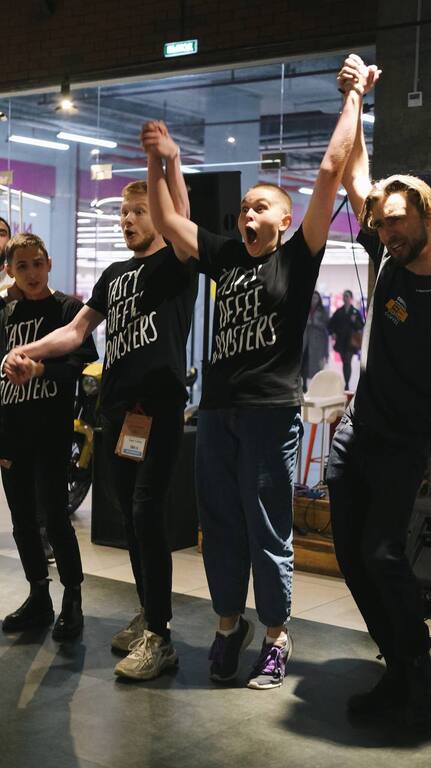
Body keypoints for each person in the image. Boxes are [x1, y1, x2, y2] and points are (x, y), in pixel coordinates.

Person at [142, 55, 377, 690]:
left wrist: (355, 96)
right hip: (218, 411)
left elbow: (329, 170)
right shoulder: (225, 257)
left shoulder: (298, 257)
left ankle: (276, 635)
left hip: (270, 414)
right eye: (245, 207)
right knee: (219, 526)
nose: (247, 215)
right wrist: (162, 161)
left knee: (267, 528)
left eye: (261, 207)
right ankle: (228, 626)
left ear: (284, 219)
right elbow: (168, 223)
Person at [4, 128, 198, 681]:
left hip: (157, 409)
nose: (128, 221)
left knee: (147, 513)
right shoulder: (114, 276)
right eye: (123, 214)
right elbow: (74, 332)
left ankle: (160, 636)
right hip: (117, 415)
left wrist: (165, 161)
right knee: (132, 520)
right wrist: (26, 352)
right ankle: (148, 613)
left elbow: (182, 217)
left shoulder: (175, 263)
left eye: (139, 212)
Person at [326, 54, 431, 726]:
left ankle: (414, 668)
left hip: (404, 444)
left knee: (383, 553)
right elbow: (354, 174)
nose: (386, 232)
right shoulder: (387, 256)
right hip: (356, 433)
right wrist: (357, 97)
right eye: (381, 223)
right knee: (351, 557)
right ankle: (397, 660)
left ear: (426, 216)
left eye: (396, 221)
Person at [0, 233, 98, 641]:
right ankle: (38, 595)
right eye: (22, 266)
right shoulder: (5, 312)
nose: (32, 273)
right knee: (22, 520)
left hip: (52, 432)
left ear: (49, 263)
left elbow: (81, 367)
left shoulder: (68, 310)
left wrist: (40, 370)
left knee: (55, 517)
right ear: (9, 271)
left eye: (37, 263)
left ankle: (72, 598)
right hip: (11, 433)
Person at [328, 288, 364, 389]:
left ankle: (347, 384)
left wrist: (354, 321)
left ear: (351, 298)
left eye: (347, 296)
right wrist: (333, 333)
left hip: (351, 342)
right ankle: (346, 381)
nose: (345, 298)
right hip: (341, 341)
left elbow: (361, 326)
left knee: (347, 361)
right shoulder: (339, 311)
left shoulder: (355, 312)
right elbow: (330, 324)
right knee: (345, 362)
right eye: (344, 296)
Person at [301, 290, 329, 391]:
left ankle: (316, 386)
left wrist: (314, 322)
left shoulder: (322, 310)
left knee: (316, 365)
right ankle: (304, 384)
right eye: (312, 297)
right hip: (305, 340)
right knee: (304, 362)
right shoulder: (305, 308)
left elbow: (326, 325)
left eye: (316, 298)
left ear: (319, 299)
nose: (314, 300)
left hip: (317, 341)